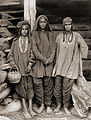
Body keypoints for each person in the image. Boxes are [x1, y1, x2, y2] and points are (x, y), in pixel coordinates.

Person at [52, 17, 88, 115]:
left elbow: (84, 46)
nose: (67, 26)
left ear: (72, 25)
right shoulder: (59, 36)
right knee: (57, 88)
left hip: (71, 67)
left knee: (66, 89)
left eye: (69, 24)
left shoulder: (76, 36)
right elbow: (55, 50)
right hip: (60, 65)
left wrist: (81, 58)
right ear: (63, 26)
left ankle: (65, 106)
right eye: (66, 24)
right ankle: (59, 105)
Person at [7, 21, 36, 119]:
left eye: (26, 29)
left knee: (30, 88)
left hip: (28, 69)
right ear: (20, 30)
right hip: (19, 69)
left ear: (28, 31)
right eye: (22, 29)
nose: (24, 31)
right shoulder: (15, 42)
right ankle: (25, 109)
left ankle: (31, 108)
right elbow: (10, 55)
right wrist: (14, 64)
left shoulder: (30, 41)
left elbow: (33, 54)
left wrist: (30, 65)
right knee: (22, 89)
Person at [32, 15, 56, 113]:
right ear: (38, 23)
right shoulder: (34, 34)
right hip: (38, 63)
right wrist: (43, 59)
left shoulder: (50, 34)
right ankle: (41, 104)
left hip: (48, 63)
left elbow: (53, 49)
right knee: (38, 84)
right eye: (41, 22)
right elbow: (34, 49)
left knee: (48, 84)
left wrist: (49, 59)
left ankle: (48, 105)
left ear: (47, 23)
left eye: (44, 22)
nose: (43, 24)